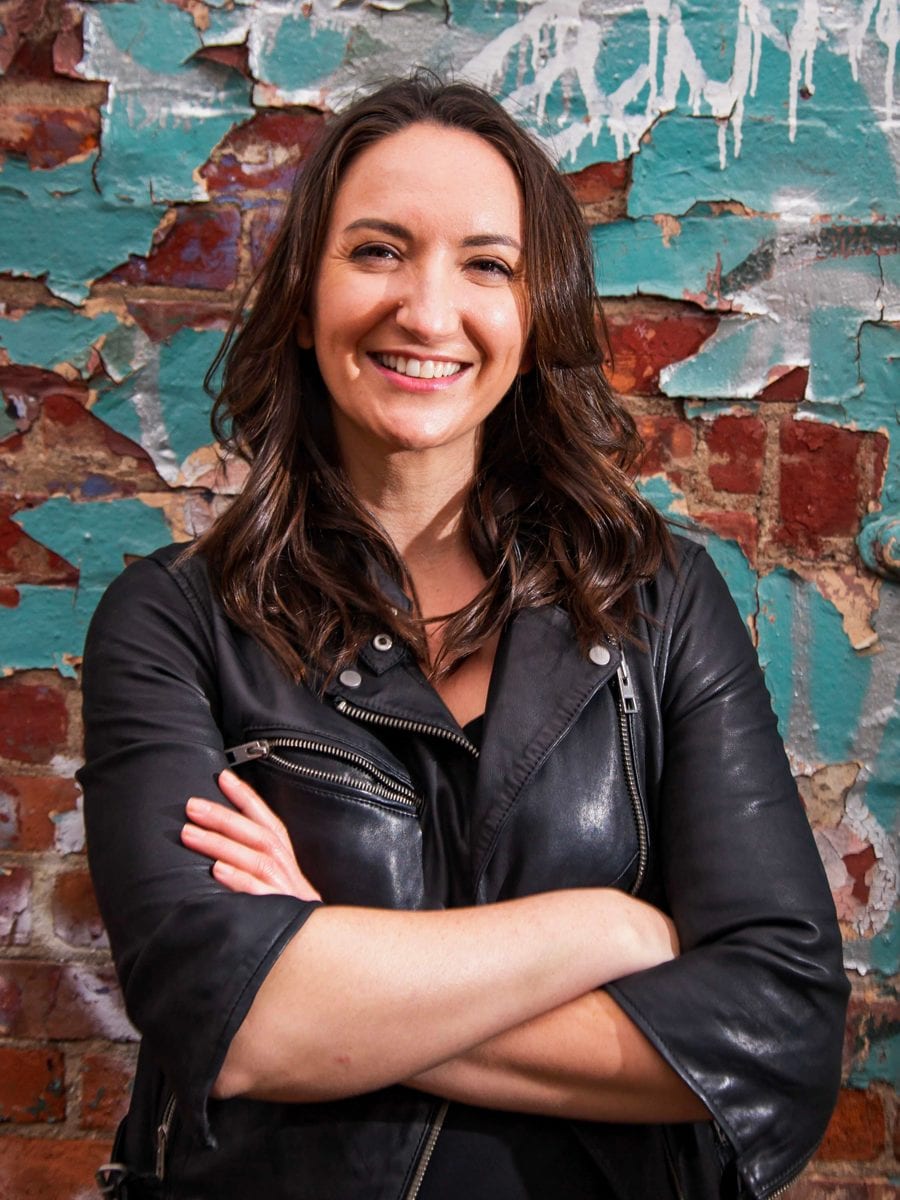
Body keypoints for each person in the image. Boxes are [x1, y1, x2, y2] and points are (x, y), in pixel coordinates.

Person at [80, 74, 848, 1200]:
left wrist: (330, 960)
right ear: (303, 300)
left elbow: (777, 1034)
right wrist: (605, 931)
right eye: (379, 251)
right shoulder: (176, 619)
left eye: (487, 265)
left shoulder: (660, 602)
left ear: (535, 321)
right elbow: (229, 1024)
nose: (429, 313)